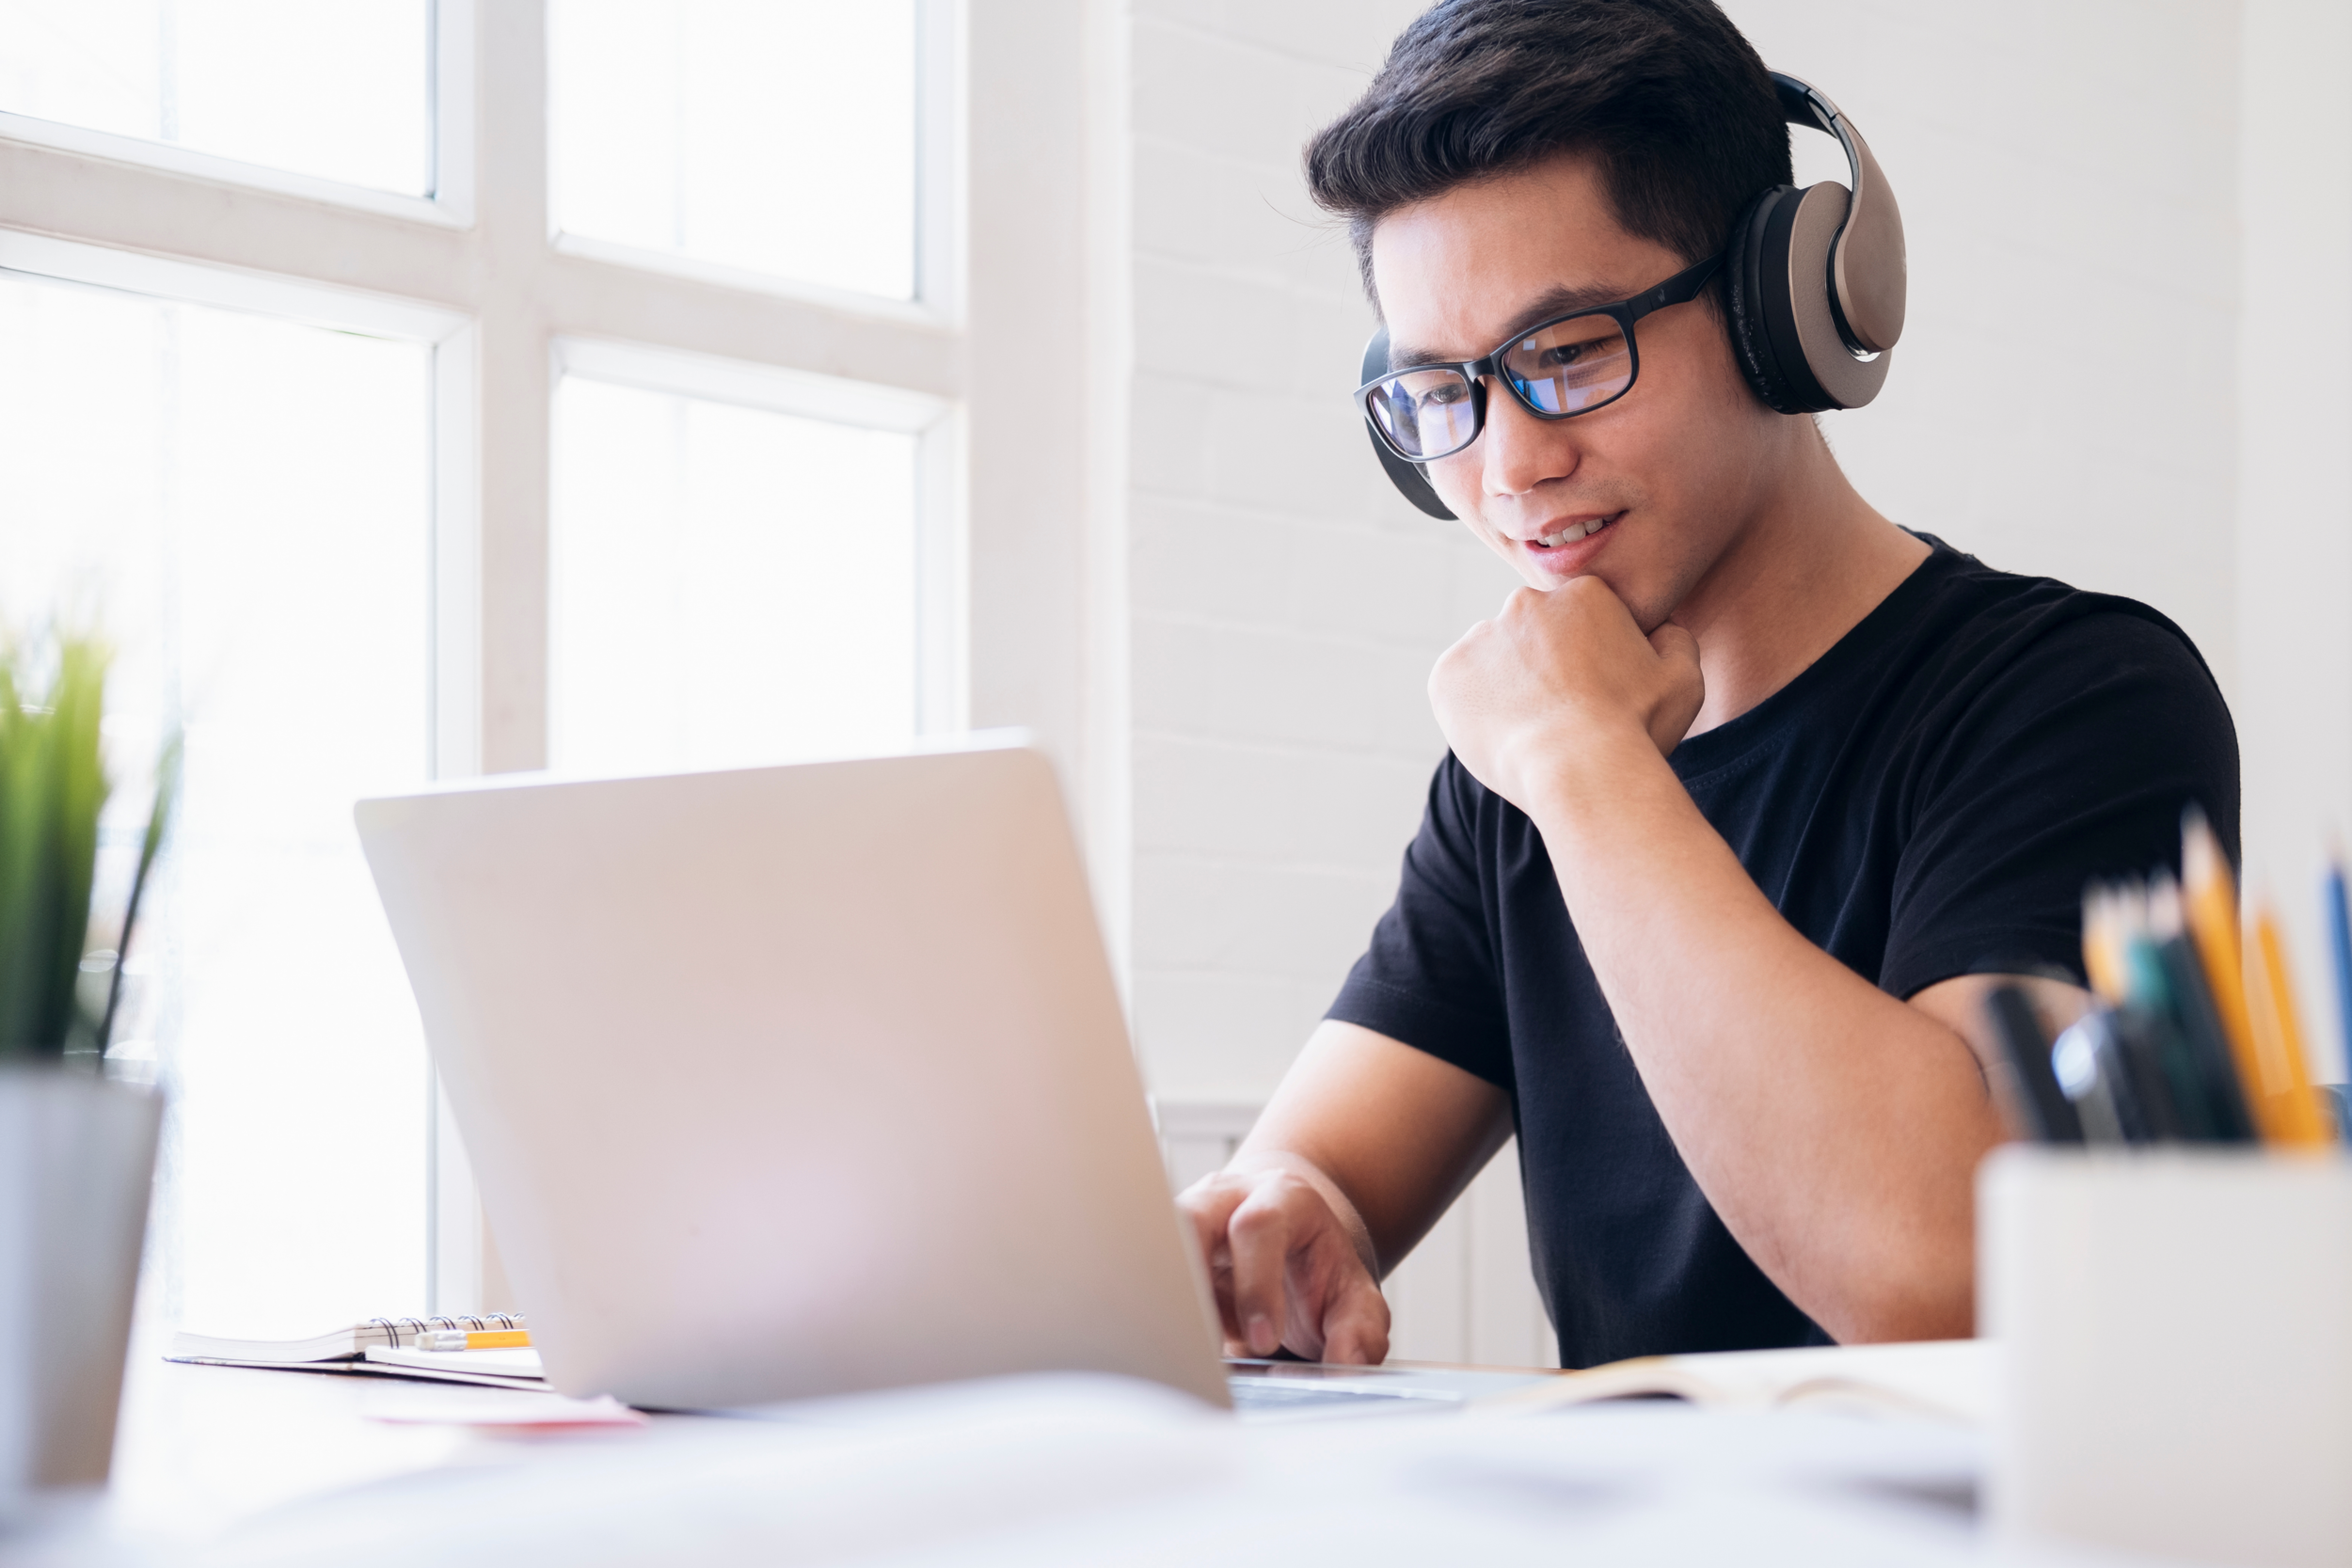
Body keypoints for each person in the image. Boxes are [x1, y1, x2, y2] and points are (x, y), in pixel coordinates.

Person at [1175, 0, 2238, 1370]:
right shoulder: (1530, 767)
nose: (1508, 467)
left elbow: (1946, 1274)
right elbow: (1312, 1169)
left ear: (1780, 308)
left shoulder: (2079, 696)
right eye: (1445, 389)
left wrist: (1586, 770)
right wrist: (1290, 1214)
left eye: (1565, 354)